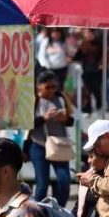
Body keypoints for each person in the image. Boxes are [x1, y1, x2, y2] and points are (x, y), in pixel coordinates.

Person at [28, 71, 75, 206]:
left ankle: (58, 210)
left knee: (64, 181)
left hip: (58, 145)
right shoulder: (34, 100)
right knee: (42, 184)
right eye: (48, 87)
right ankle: (38, 211)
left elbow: (71, 120)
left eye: (54, 87)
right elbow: (27, 123)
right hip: (39, 145)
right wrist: (44, 118)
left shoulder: (61, 98)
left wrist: (64, 119)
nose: (51, 90)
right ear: (39, 86)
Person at [74, 29, 105, 114]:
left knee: (97, 90)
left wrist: (102, 63)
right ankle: (87, 109)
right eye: (87, 33)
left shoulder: (100, 43)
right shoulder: (83, 44)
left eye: (91, 33)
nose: (89, 35)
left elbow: (105, 55)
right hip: (86, 70)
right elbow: (77, 56)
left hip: (97, 71)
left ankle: (99, 106)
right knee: (87, 90)